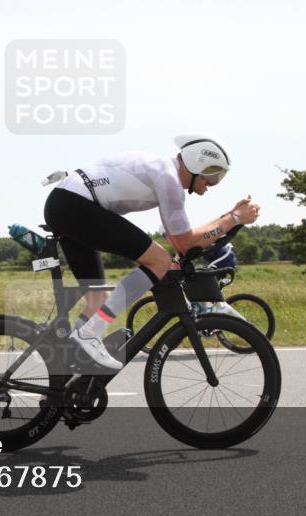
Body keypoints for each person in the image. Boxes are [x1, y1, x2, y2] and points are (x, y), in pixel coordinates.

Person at [42, 134, 260, 370]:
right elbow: (185, 244)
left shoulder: (162, 169)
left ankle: (67, 375)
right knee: (159, 261)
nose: (213, 184)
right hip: (75, 205)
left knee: (98, 299)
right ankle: (91, 332)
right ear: (199, 163)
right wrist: (234, 218)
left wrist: (229, 218)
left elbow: (181, 239)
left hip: (66, 203)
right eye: (213, 176)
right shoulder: (168, 179)